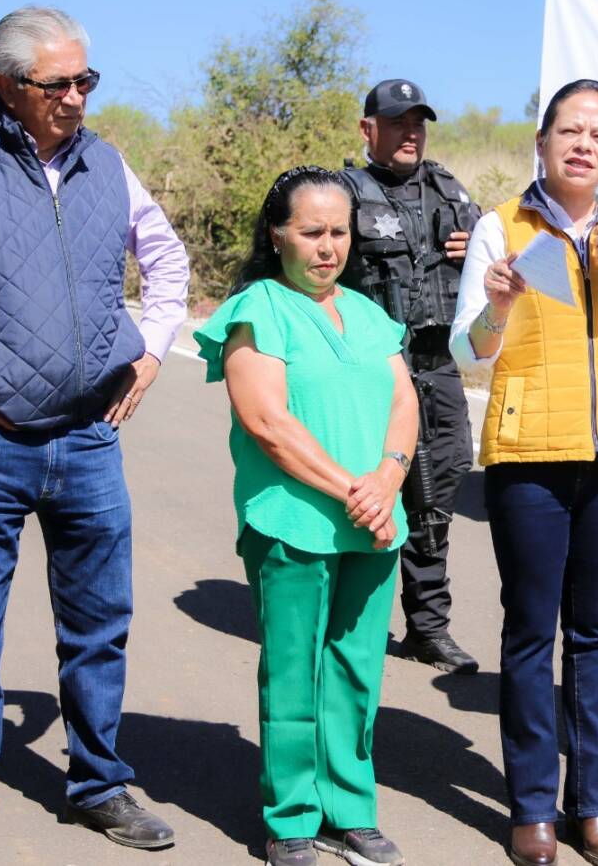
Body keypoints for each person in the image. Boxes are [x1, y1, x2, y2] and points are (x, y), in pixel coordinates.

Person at [0, 8, 190, 864]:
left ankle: (99, 782)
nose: (76, 98)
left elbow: (166, 261)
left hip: (89, 440)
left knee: (100, 625)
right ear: (7, 85)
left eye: (85, 80)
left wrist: (152, 354)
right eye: (56, 84)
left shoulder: (106, 161)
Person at [451, 79, 598, 866]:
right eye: (570, 130)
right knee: (528, 631)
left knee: (595, 634)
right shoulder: (499, 227)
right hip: (528, 455)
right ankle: (533, 806)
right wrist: (498, 306)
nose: (584, 144)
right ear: (541, 140)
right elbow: (466, 349)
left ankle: (596, 803)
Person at [195, 166, 415, 866]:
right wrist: (357, 489)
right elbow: (267, 422)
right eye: (312, 232)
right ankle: (291, 816)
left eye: (339, 233)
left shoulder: (368, 311)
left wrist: (389, 477)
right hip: (294, 520)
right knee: (295, 672)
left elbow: (404, 400)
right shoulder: (258, 306)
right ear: (276, 233)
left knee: (356, 671)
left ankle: (350, 807)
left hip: (375, 522)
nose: (328, 247)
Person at [338, 78, 482, 675]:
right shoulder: (342, 193)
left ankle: (428, 628)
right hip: (372, 371)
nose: (411, 133)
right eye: (398, 122)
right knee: (366, 490)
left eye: (418, 122)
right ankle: (351, 620)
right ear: (369, 129)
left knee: (438, 492)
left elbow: (495, 270)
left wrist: (478, 249)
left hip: (437, 362)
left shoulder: (450, 191)